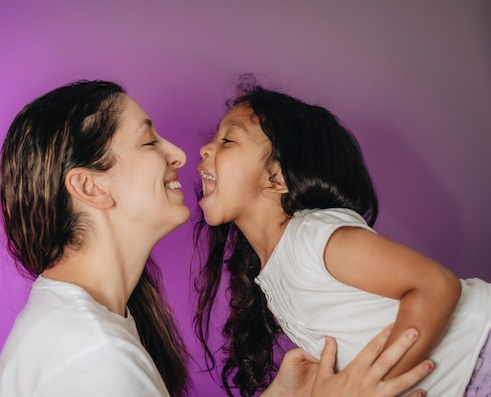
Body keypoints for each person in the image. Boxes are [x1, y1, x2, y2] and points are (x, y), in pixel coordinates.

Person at [0, 79, 432, 397]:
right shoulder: (92, 356)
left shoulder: (91, 330)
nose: (180, 153)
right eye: (148, 142)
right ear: (92, 187)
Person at [194, 75, 491, 396]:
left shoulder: (311, 237)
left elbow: (435, 285)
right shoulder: (274, 269)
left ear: (277, 176)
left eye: (228, 141)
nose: (205, 148)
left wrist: (374, 385)